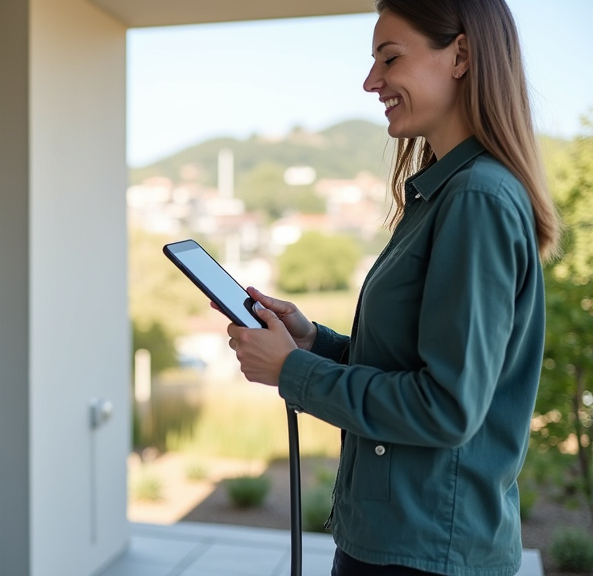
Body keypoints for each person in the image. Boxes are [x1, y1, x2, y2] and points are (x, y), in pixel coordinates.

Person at [225, 0, 560, 575]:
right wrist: (311, 343)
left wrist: (291, 372)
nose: (370, 81)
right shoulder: (443, 194)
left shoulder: (476, 198)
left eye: (390, 58)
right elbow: (408, 366)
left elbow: (447, 408)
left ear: (461, 56)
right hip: (399, 542)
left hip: (426, 554)